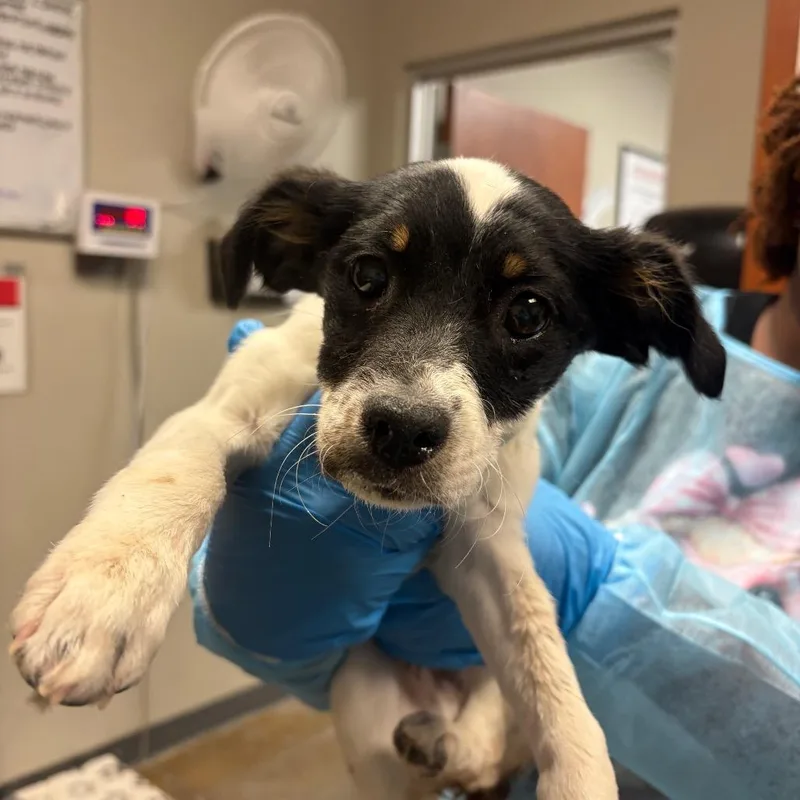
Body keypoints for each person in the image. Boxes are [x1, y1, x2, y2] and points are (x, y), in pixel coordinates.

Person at [190, 78, 800, 799]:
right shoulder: (610, 381)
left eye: (524, 315)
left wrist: (592, 591)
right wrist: (259, 593)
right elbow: (326, 660)